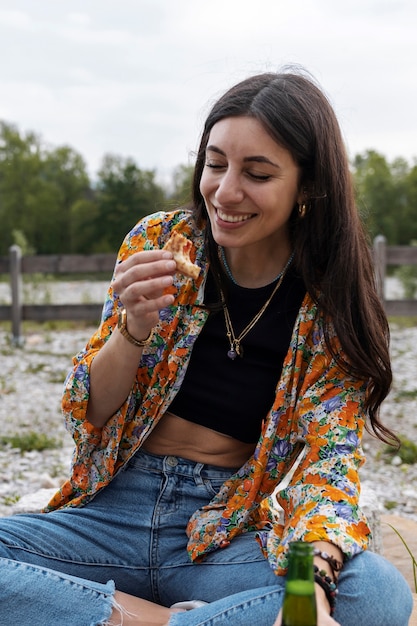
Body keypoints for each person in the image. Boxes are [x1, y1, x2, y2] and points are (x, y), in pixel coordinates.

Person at [0, 69, 413, 626]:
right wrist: (133, 327)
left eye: (258, 174)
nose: (225, 191)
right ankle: (165, 620)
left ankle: (105, 615)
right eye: (215, 164)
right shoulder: (156, 241)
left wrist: (311, 592)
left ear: (308, 188)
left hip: (221, 535)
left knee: (377, 594)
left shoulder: (329, 305)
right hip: (108, 517)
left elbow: (328, 465)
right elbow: (90, 414)